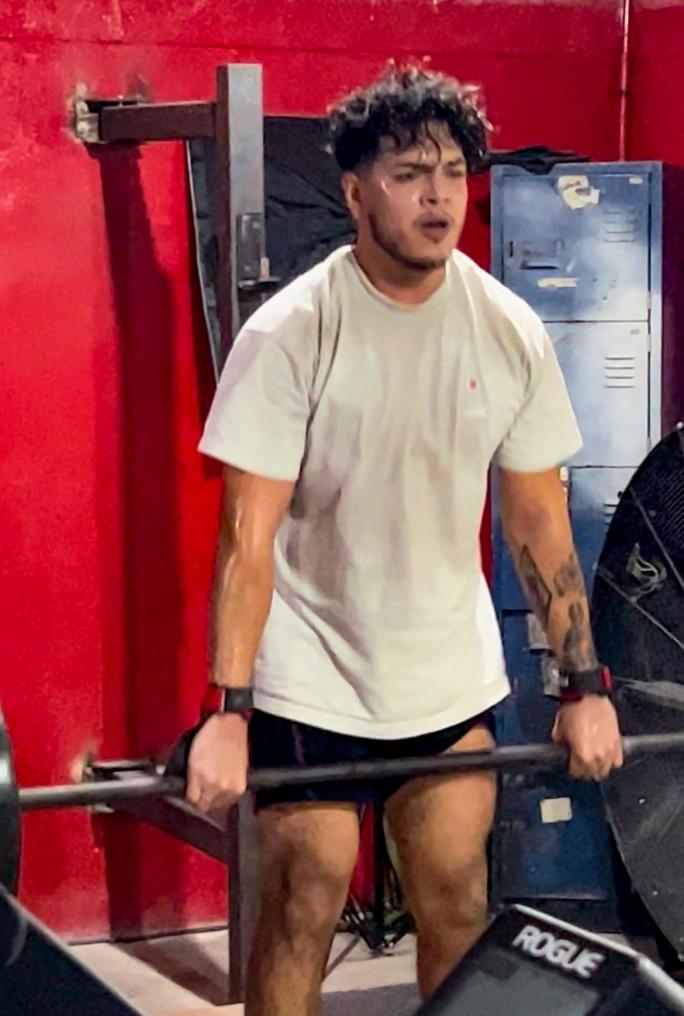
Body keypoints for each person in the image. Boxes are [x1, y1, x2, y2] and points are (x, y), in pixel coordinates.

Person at [187, 65, 623, 1015]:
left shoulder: (507, 331)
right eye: (409, 174)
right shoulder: (293, 332)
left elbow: (538, 522)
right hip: (312, 671)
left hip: (443, 674)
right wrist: (229, 709)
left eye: (453, 173)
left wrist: (583, 686)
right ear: (354, 193)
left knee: (458, 904)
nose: (438, 197)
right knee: (302, 905)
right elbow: (247, 538)